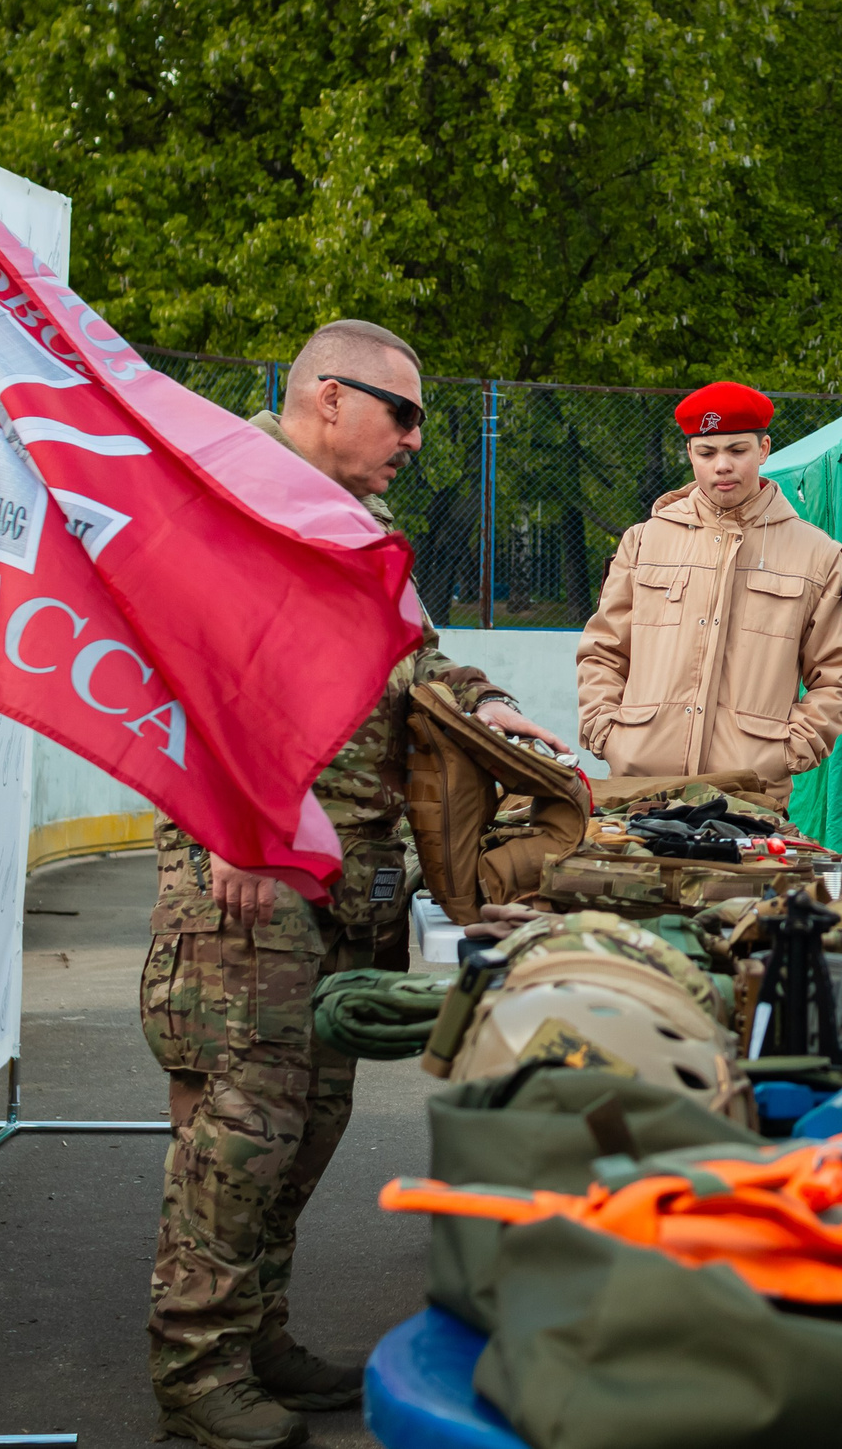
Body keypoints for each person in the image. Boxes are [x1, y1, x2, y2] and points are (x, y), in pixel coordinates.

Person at [141, 319, 565, 1449]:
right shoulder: (230, 498)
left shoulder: (358, 527)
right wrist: (235, 826)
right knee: (239, 1128)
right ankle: (195, 1366)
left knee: (307, 1124)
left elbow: (412, 659)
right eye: (403, 414)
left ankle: (255, 1333)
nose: (416, 440)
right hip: (252, 869)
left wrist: (487, 705)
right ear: (329, 397)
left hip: (349, 872)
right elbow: (181, 675)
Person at [575, 381, 842, 786]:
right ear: (690, 453)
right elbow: (603, 650)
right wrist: (606, 732)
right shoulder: (644, 542)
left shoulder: (818, 556)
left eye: (737, 450)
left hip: (749, 793)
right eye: (707, 453)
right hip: (639, 786)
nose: (722, 466)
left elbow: (840, 675)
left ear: (763, 449)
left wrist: (788, 751)